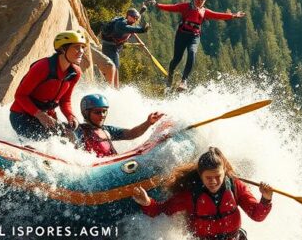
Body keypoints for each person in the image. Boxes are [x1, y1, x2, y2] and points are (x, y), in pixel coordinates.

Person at [132, 147, 273, 240]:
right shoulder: (191, 195)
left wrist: (266, 199)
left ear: (224, 172)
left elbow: (257, 215)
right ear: (201, 175)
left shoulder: (236, 187)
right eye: (208, 178)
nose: (214, 181)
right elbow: (161, 210)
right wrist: (147, 202)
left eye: (218, 176)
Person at [152, 0, 246, 91]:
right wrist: (157, 5)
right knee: (177, 58)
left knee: (192, 53)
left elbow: (218, 15)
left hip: (194, 36)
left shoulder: (204, 11)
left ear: (204, 1)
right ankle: (170, 76)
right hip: (182, 34)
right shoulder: (185, 6)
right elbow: (171, 7)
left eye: (202, 0)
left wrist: (234, 15)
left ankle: (184, 81)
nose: (200, 1)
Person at [9, 30, 86, 140]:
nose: (81, 51)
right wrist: (40, 115)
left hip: (47, 116)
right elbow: (20, 96)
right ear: (63, 49)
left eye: (83, 47)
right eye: (77, 47)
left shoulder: (75, 73)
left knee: (75, 139)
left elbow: (65, 101)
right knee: (47, 141)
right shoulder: (42, 67)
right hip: (21, 116)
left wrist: (70, 116)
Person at [74, 94, 164, 157]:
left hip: (113, 166)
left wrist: (148, 122)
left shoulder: (107, 130)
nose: (102, 115)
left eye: (104, 111)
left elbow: (131, 134)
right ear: (86, 113)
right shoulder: (79, 130)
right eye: (97, 112)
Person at [99, 6, 150, 83]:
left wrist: (141, 11)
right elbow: (132, 29)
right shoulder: (121, 24)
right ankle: (113, 87)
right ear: (128, 16)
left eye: (136, 18)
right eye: (134, 17)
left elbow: (135, 18)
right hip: (110, 47)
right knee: (114, 66)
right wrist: (142, 29)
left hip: (113, 47)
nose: (135, 19)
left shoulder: (129, 21)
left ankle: (111, 85)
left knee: (114, 66)